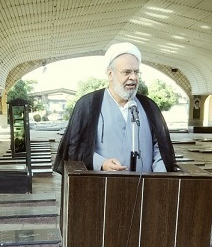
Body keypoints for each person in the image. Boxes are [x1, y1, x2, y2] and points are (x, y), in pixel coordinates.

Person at [53, 42, 177, 175]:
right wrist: (101, 163)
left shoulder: (149, 106)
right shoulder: (88, 105)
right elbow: (75, 149)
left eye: (136, 72)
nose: (133, 77)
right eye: (127, 72)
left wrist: (160, 177)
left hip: (146, 186)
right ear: (110, 74)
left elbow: (161, 149)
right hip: (102, 186)